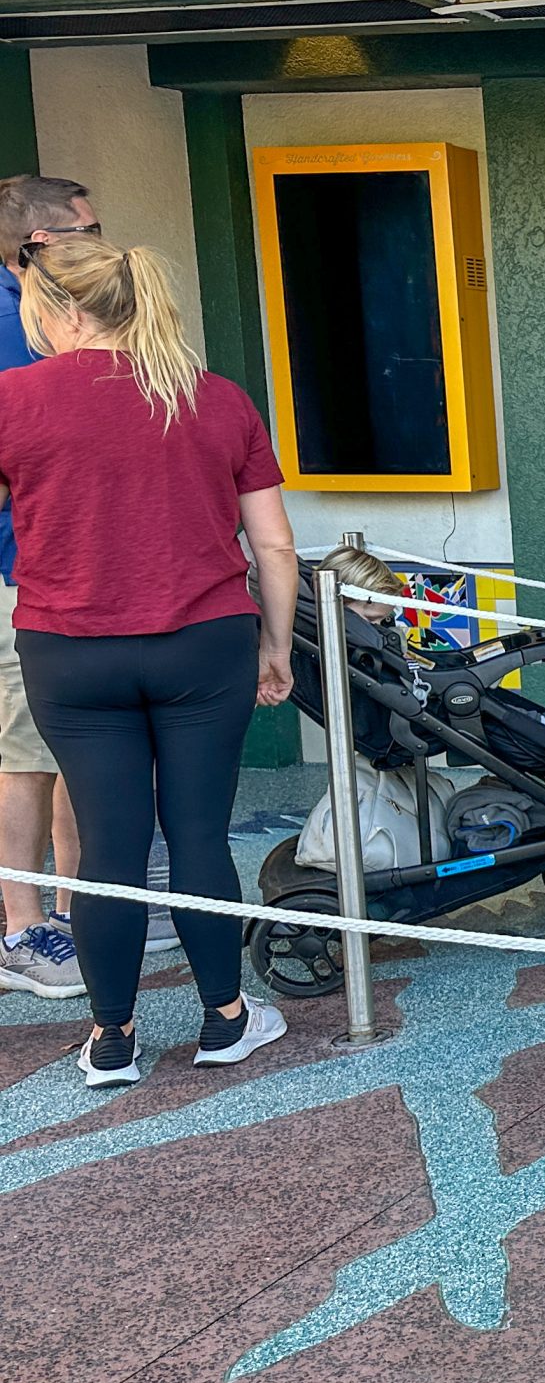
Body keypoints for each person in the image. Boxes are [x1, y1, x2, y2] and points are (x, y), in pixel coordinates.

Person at [0, 235, 299, 1087]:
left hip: (69, 652)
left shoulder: (12, 399)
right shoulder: (214, 398)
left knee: (107, 848)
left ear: (64, 311)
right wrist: (273, 647)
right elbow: (272, 546)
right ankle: (225, 1021)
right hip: (204, 645)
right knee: (200, 835)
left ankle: (112, 1040)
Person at [0, 176, 95, 1000]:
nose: (101, 244)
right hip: (18, 573)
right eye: (85, 232)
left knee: (67, 754)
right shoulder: (12, 321)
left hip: (62, 572)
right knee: (26, 754)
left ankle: (79, 910)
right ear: (34, 244)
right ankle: (24, 928)